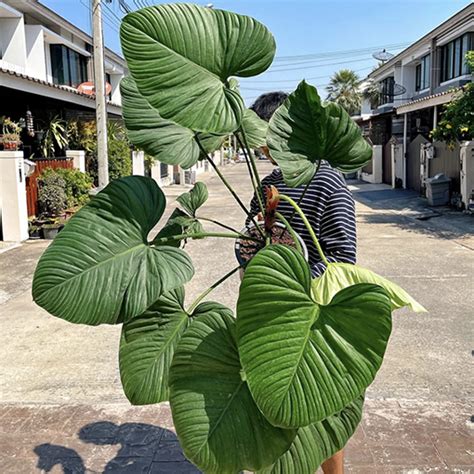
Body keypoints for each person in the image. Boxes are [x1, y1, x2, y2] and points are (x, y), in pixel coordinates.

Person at [247, 91, 357, 474]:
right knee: (278, 408)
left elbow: (342, 258)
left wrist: (294, 286)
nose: (261, 145)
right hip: (270, 312)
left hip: (316, 314)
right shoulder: (267, 185)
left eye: (263, 134)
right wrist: (255, 267)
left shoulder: (327, 182)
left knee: (325, 409)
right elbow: (250, 239)